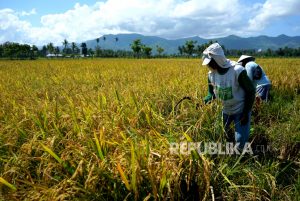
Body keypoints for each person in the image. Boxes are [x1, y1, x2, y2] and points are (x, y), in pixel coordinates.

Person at [202, 43, 255, 151]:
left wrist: (245, 112)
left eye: (211, 63)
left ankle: (242, 160)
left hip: (241, 110)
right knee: (220, 134)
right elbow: (211, 94)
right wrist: (204, 101)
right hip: (226, 110)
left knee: (240, 142)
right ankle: (228, 154)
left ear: (218, 60)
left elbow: (251, 91)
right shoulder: (211, 74)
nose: (209, 66)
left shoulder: (237, 71)